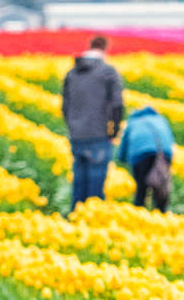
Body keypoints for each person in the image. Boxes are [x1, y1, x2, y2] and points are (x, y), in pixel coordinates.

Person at [61, 38, 126, 208]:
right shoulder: (107, 72)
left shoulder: (72, 72)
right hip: (99, 134)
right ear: (105, 49)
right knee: (95, 186)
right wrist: (114, 130)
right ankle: (92, 223)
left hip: (77, 135)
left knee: (79, 183)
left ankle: (76, 221)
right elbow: (117, 104)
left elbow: (65, 106)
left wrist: (73, 126)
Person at [118, 100, 175, 212]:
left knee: (141, 187)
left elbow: (124, 144)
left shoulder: (133, 121)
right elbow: (170, 139)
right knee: (160, 185)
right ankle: (161, 214)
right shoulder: (160, 119)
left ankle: (139, 213)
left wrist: (121, 160)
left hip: (140, 154)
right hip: (163, 153)